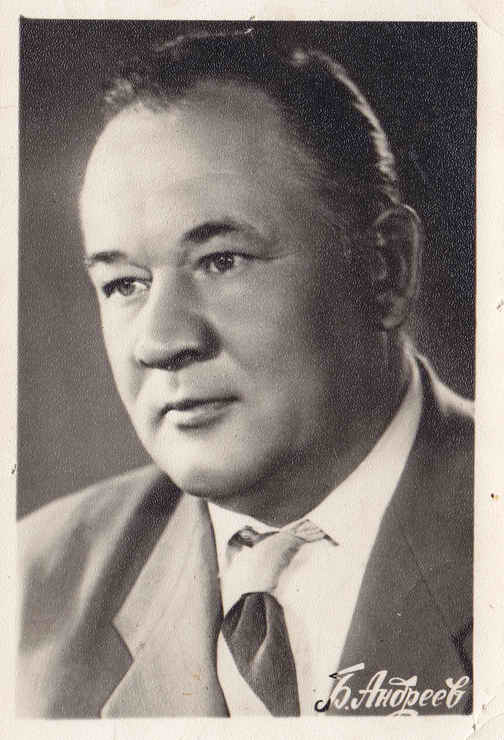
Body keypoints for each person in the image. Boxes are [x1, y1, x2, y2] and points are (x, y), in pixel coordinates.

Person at [17, 28, 473, 717]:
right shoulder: (29, 589)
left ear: (386, 268)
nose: (161, 341)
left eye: (221, 261)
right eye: (123, 284)